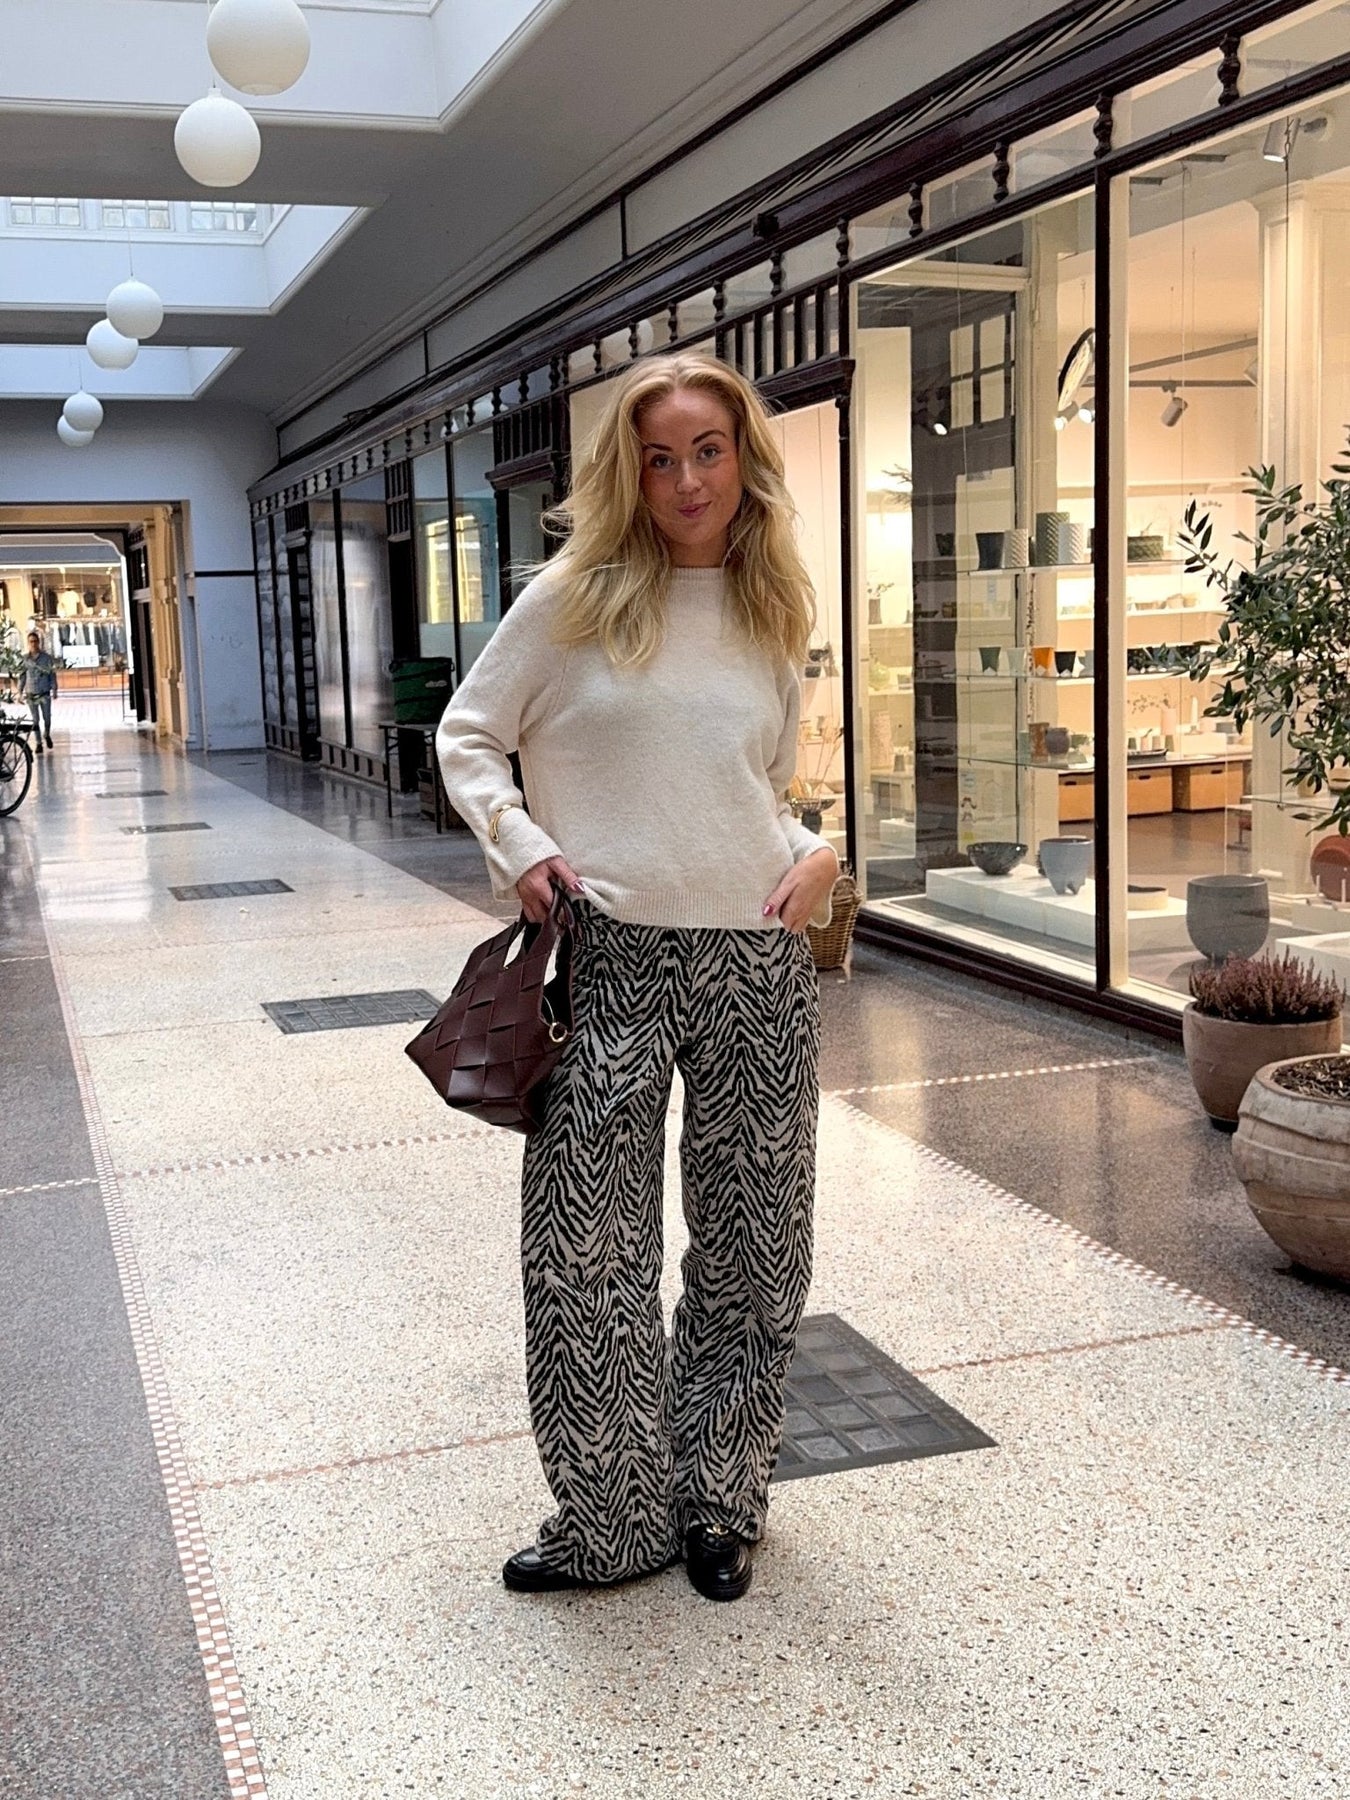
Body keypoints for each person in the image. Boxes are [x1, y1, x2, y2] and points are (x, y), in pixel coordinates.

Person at [437, 349, 839, 1604]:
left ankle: (720, 1495)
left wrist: (821, 853)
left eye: (709, 451)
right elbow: (469, 735)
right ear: (630, 471)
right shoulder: (571, 598)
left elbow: (763, 786)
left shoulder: (772, 608)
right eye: (659, 458)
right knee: (585, 1249)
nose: (687, 481)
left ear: (744, 459)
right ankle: (609, 1520)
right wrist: (523, 848)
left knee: (753, 1244)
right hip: (607, 954)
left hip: (757, 958)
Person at [20, 631, 57, 753]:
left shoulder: (46, 658)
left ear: (39, 642)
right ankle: (38, 743)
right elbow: (22, 677)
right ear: (28, 643)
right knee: (35, 720)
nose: (33, 644)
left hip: (44, 692)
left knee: (47, 718)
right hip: (31, 693)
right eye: (31, 642)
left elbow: (52, 674)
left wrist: (54, 689)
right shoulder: (25, 659)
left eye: (35, 641)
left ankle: (46, 734)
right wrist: (20, 692)